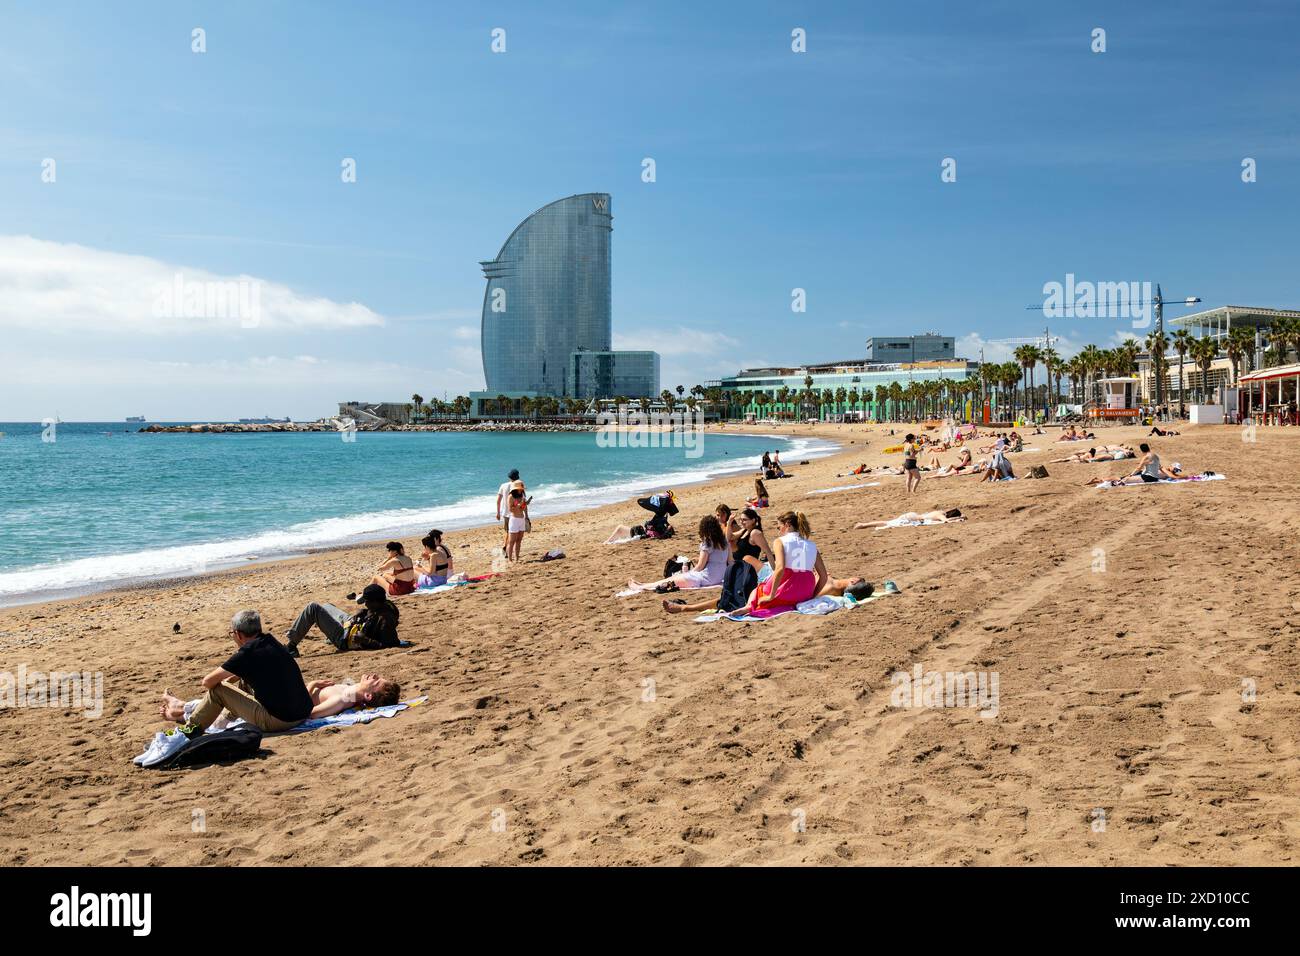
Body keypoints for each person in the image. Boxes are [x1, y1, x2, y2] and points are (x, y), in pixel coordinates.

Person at [142, 610, 383, 764]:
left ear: (238, 634)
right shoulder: (271, 642)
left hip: (281, 720)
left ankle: (189, 732)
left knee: (218, 691)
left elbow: (208, 682)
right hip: (296, 713)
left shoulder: (247, 652)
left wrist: (226, 683)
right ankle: (191, 714)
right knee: (241, 682)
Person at [739, 511, 827, 617]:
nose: (779, 531)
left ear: (787, 525)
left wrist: (771, 595)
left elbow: (780, 568)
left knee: (759, 589)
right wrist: (812, 596)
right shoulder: (812, 545)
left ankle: (748, 607)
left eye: (779, 527)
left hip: (788, 586)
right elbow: (824, 576)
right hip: (805, 591)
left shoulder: (780, 541)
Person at [284, 583, 400, 657]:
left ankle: (291, 646)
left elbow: (391, 644)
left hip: (345, 639)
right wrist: (363, 613)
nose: (365, 603)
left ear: (375, 602)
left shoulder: (385, 619)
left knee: (313, 608)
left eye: (367, 601)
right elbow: (371, 616)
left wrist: (365, 640)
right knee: (326, 606)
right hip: (353, 626)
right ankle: (329, 635)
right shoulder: (382, 604)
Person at [629, 516, 731, 593]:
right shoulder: (725, 542)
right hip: (718, 577)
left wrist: (687, 574)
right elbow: (730, 562)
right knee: (672, 579)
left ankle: (642, 587)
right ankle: (643, 585)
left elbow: (700, 566)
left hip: (705, 578)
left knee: (672, 579)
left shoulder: (708, 543)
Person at [855, 508, 964, 529]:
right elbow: (946, 521)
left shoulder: (940, 511)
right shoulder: (941, 515)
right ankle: (863, 525)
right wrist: (958, 519)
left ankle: (864, 524)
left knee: (887, 522)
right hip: (911, 518)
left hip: (913, 516)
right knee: (887, 523)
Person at [495, 469, 522, 552]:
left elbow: (498, 500)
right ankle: (507, 549)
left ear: (509, 477)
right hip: (516, 513)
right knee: (515, 534)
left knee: (509, 532)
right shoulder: (519, 485)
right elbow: (522, 501)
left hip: (506, 513)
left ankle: (506, 547)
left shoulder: (503, 485)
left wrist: (498, 513)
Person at [506, 487, 528, 561]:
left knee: (519, 540)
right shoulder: (511, 496)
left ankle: (517, 558)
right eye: (520, 488)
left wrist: (524, 505)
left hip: (521, 519)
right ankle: (510, 559)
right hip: (514, 520)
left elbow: (522, 508)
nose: (522, 490)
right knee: (512, 541)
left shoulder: (522, 495)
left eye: (522, 489)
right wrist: (519, 504)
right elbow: (511, 510)